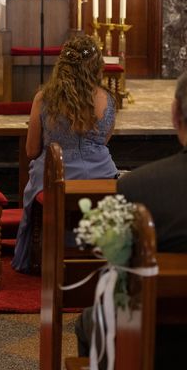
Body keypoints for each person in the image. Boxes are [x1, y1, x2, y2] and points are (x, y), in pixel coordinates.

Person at [74, 71, 187, 369]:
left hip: (159, 339)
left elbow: (118, 276)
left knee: (89, 321)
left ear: (175, 115)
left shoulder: (138, 187)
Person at [12, 34, 118, 274]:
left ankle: (45, 255)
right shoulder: (108, 99)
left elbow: (31, 150)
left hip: (56, 179)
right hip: (102, 178)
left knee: (40, 174)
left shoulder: (44, 98)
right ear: (96, 65)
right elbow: (104, 141)